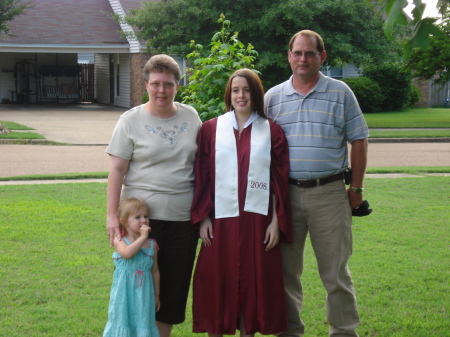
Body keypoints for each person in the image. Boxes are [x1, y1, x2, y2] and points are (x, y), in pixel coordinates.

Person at [264, 30, 369, 337]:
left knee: (335, 272)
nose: (303, 59)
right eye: (297, 53)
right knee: (285, 273)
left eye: (310, 53)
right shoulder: (273, 98)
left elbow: (359, 142)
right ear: (289, 56)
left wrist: (357, 190)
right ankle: (289, 331)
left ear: (322, 57)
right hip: (285, 196)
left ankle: (344, 331)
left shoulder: (341, 92)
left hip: (330, 194)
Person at [105, 54, 202, 337]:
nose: (162, 90)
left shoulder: (191, 116)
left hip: (183, 221)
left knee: (172, 289)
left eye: (169, 84)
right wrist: (113, 216)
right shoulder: (130, 120)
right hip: (139, 222)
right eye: (156, 83)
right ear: (146, 84)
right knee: (137, 290)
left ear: (177, 85)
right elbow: (116, 169)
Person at [191, 68, 292, 337]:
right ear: (229, 94)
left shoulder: (272, 132)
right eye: (236, 90)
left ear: (256, 94)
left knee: (253, 283)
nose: (241, 95)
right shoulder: (211, 129)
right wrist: (203, 217)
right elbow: (202, 176)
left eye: (247, 90)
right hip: (220, 222)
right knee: (216, 280)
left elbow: (278, 181)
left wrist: (276, 221)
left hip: (257, 221)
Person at [103, 198, 160, 337]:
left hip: (144, 295)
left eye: (146, 216)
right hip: (123, 294)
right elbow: (128, 253)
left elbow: (155, 271)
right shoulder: (120, 240)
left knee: (143, 322)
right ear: (124, 222)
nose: (144, 220)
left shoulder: (151, 244)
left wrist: (157, 295)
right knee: (122, 321)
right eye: (137, 217)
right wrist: (142, 237)